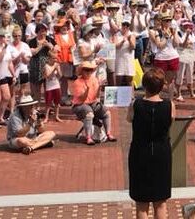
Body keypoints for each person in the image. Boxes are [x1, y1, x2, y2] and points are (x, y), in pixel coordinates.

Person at [127, 67, 175, 219]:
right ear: (161, 87)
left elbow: (129, 119)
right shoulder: (169, 105)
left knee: (141, 203)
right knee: (160, 202)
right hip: (161, 153)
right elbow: (170, 122)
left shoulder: (136, 104)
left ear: (145, 85)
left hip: (140, 152)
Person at [71, 61, 116, 145]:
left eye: (90, 70)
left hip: (92, 103)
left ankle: (108, 134)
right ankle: (88, 138)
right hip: (79, 105)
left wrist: (100, 87)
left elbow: (96, 96)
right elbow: (82, 99)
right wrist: (87, 90)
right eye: (86, 70)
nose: (89, 72)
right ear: (82, 71)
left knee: (107, 113)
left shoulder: (94, 79)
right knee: (89, 114)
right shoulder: (77, 82)